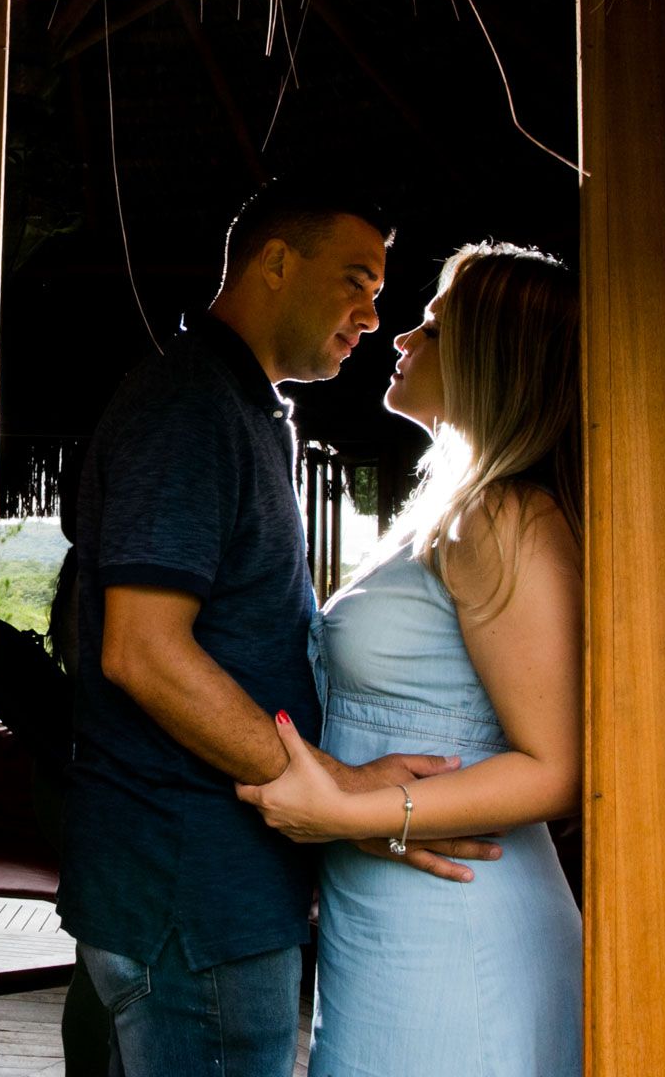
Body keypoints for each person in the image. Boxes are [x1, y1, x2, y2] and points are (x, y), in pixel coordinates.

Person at [58, 185, 499, 1074]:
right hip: (192, 895)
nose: (374, 316)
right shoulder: (189, 407)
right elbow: (142, 651)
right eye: (356, 281)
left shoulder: (243, 409)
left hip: (202, 887)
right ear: (274, 263)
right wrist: (337, 794)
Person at [236, 242, 584, 1075]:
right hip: (393, 919)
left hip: (458, 929)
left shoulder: (503, 519)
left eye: (429, 325)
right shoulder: (451, 510)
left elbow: (556, 768)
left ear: (485, 357)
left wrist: (345, 815)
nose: (400, 339)